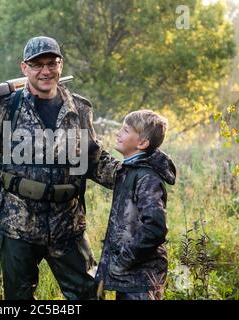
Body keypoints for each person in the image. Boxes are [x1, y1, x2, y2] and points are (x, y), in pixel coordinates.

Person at [0, 36, 119, 300]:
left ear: (61, 65)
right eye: (37, 65)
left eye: (52, 63)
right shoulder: (6, 106)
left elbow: (93, 159)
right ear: (24, 68)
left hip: (67, 225)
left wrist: (135, 173)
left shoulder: (79, 108)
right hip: (18, 226)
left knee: (89, 295)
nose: (46, 71)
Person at [92, 109, 176, 300]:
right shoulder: (129, 170)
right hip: (129, 275)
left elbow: (155, 227)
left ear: (142, 143)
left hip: (141, 277)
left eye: (126, 130)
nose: (118, 133)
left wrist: (124, 259)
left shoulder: (146, 177)